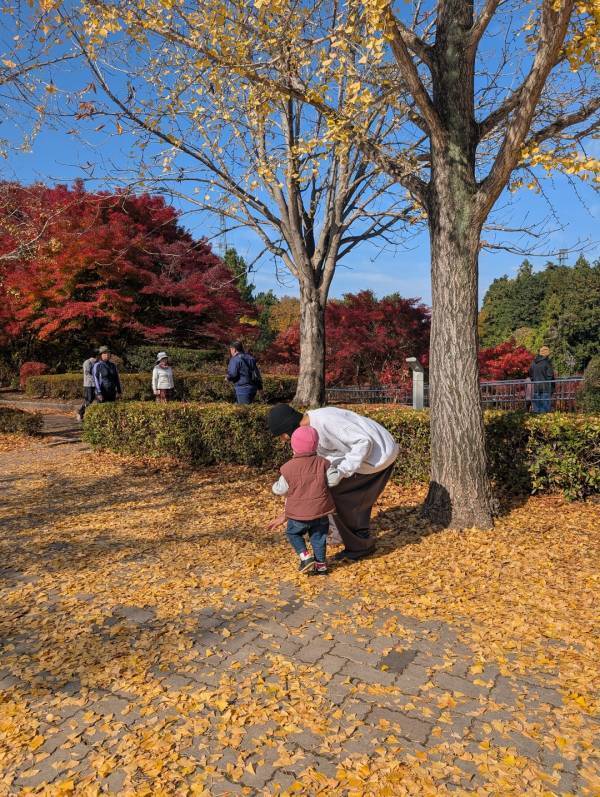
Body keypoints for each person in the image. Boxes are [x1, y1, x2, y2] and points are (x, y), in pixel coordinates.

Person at [268, 404, 399, 560]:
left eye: (283, 435)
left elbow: (363, 442)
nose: (283, 440)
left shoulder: (326, 421)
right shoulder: (305, 435)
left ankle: (358, 545)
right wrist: (289, 512)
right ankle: (347, 535)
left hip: (380, 454)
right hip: (363, 458)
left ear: (289, 428)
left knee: (335, 493)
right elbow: (301, 478)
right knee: (331, 489)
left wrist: (342, 471)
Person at [267, 426, 339, 575]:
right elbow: (333, 480)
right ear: (316, 445)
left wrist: (274, 487)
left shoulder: (288, 468)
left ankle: (305, 557)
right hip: (320, 511)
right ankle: (321, 566)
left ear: (293, 446)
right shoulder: (323, 463)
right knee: (318, 538)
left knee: (293, 533)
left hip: (298, 514)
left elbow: (280, 489)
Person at [529, 346, 554, 413]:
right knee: (545, 412)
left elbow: (530, 375)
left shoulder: (533, 363)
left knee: (536, 411)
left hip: (536, 388)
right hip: (546, 388)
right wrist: (551, 387)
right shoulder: (547, 363)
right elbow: (550, 376)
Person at [76, 351, 98, 421]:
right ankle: (80, 412)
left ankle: (86, 414)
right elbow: (87, 373)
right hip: (89, 384)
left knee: (96, 400)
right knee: (89, 400)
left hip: (96, 384)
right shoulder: (87, 362)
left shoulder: (97, 362)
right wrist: (96, 380)